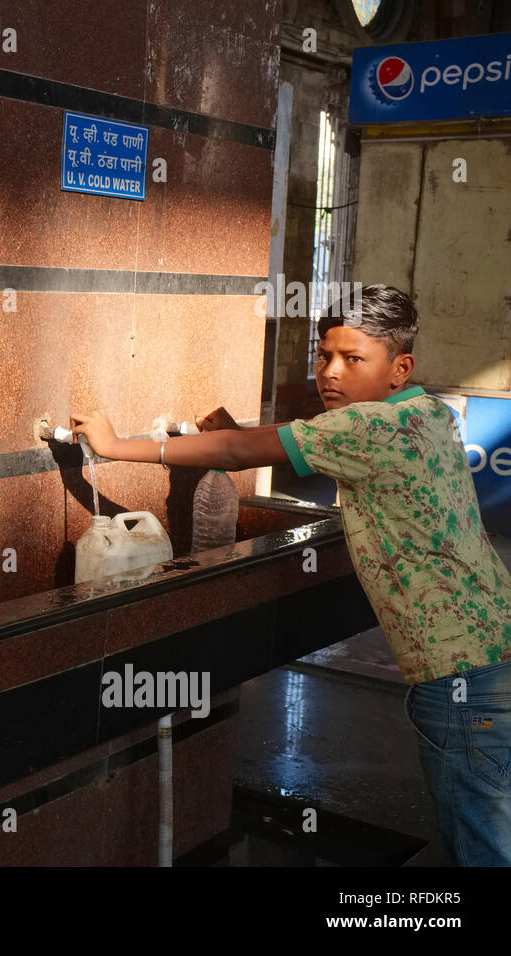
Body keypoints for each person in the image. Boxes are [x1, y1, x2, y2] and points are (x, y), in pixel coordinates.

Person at [65, 283, 511, 866]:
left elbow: (234, 452)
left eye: (354, 360)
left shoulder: (359, 429)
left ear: (399, 368)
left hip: (460, 680)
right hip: (495, 651)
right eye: (324, 356)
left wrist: (119, 446)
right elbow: (274, 445)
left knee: (481, 852)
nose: (332, 373)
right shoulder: (427, 412)